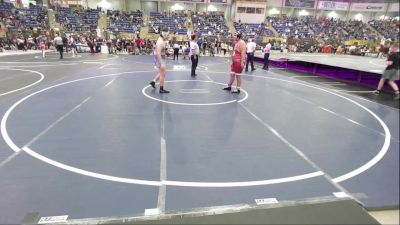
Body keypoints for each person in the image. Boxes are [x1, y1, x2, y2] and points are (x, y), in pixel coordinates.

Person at [150, 27, 170, 94]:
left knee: (163, 73)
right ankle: (161, 89)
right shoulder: (160, 41)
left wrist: (166, 52)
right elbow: (158, 52)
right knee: (162, 74)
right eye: (167, 35)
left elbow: (160, 51)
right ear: (165, 34)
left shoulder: (161, 40)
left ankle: (153, 81)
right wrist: (161, 62)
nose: (168, 36)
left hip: (161, 58)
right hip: (160, 59)